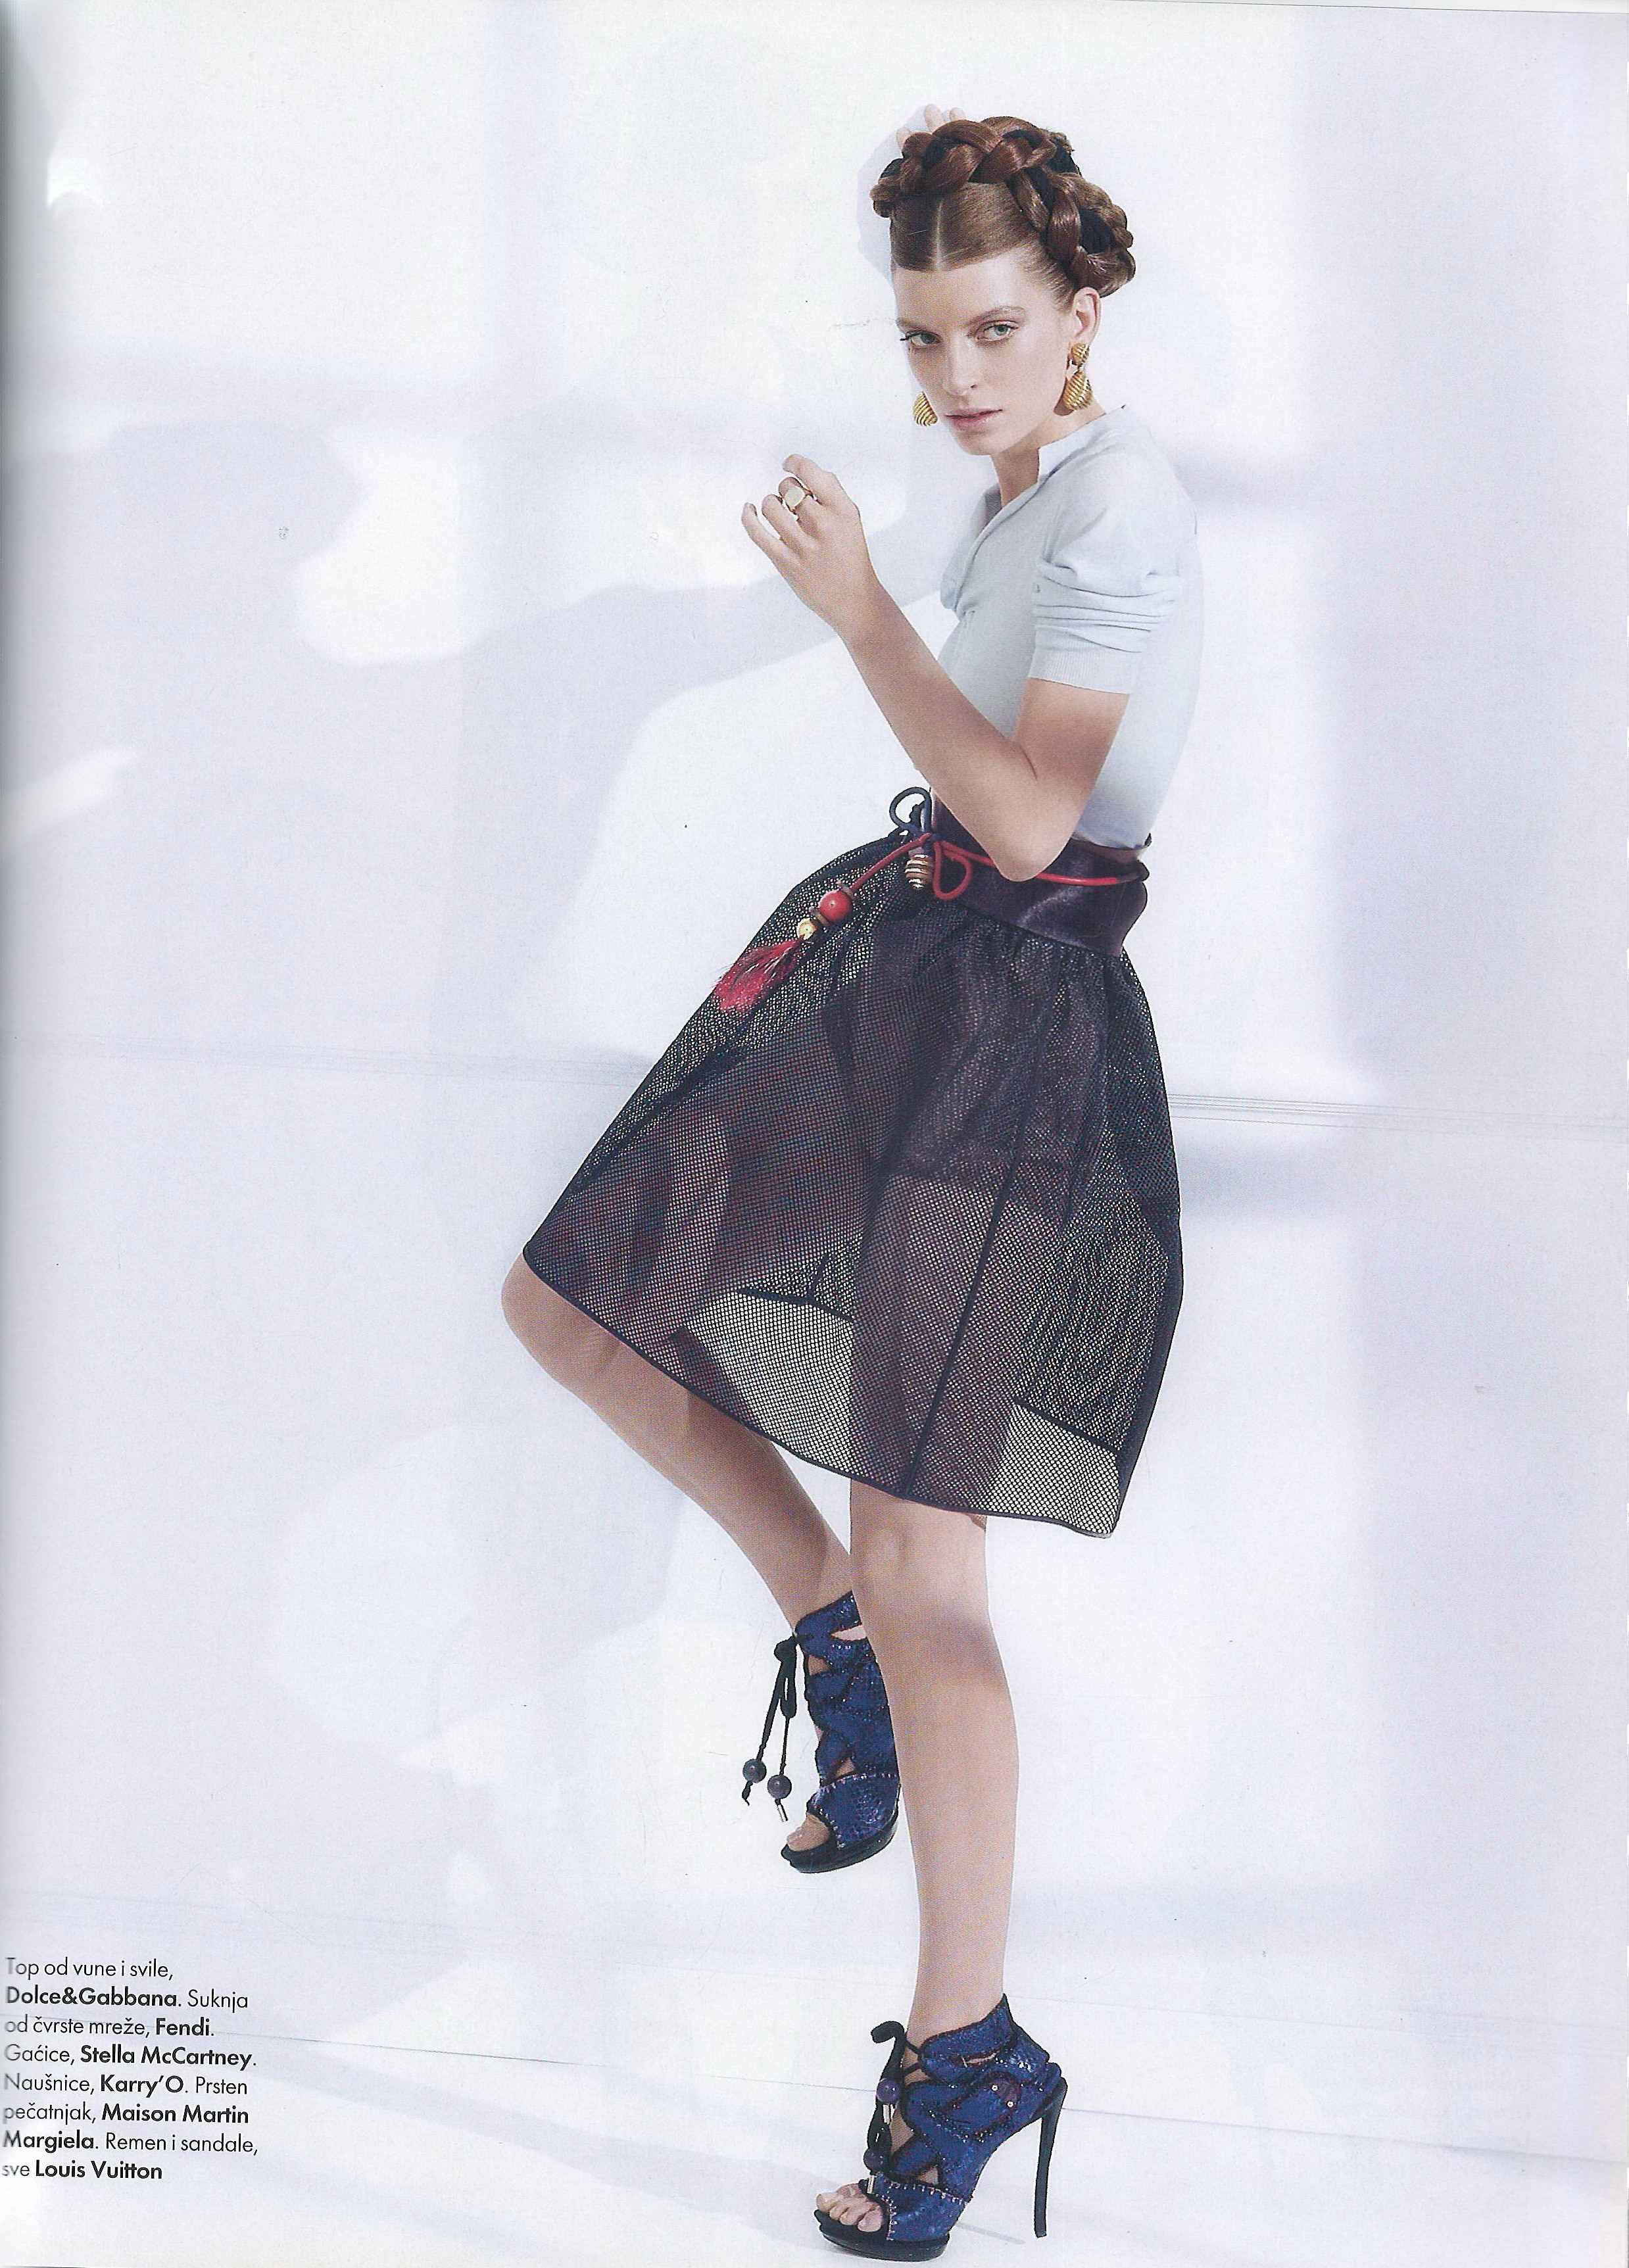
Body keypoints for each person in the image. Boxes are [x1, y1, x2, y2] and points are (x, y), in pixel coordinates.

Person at [502, 105, 1203, 2259]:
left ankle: (968, 2043)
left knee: (934, 1561)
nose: (954, 372)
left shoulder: (1124, 497)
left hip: (1009, 1035)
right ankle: (830, 1628)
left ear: (1080, 306)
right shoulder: (1026, 489)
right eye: (922, 335)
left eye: (992, 327)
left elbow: (1033, 819)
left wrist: (861, 614)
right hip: (908, 973)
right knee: (577, 1301)